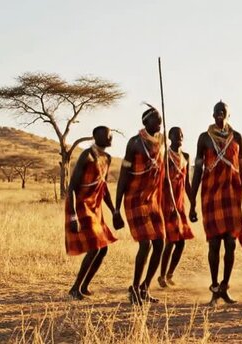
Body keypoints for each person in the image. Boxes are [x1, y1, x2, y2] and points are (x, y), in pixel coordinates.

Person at [189, 101, 242, 305]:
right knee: (215, 244)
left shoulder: (237, 138)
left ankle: (225, 286)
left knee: (230, 243)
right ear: (212, 115)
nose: (220, 114)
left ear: (228, 114)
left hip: (232, 196)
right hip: (210, 195)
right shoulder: (204, 138)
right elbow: (198, 171)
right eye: (217, 112)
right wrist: (191, 203)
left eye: (223, 112)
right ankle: (214, 287)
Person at [114, 106, 177, 305]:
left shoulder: (162, 143)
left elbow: (166, 176)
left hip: (153, 200)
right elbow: (123, 177)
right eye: (156, 120)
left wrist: (173, 204)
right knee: (146, 244)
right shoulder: (134, 144)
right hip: (134, 199)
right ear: (145, 123)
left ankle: (145, 287)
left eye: (161, 120)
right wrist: (116, 209)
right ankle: (133, 287)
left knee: (160, 242)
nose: (160, 124)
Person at [65, 126, 118, 300]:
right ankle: (75, 288)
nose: (110, 138)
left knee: (103, 249)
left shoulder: (107, 158)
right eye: (106, 135)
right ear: (96, 137)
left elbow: (103, 187)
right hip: (82, 205)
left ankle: (84, 285)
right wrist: (72, 215)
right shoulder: (87, 155)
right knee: (95, 246)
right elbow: (72, 186)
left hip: (96, 207)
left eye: (111, 135)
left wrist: (114, 210)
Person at [158, 126, 194, 288]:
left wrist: (193, 203)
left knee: (181, 242)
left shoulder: (185, 156)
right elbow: (161, 181)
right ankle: (161, 276)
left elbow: (187, 183)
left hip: (180, 204)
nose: (179, 137)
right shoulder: (165, 156)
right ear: (169, 137)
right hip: (167, 202)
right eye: (175, 135)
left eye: (181, 135)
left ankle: (170, 274)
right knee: (171, 241)